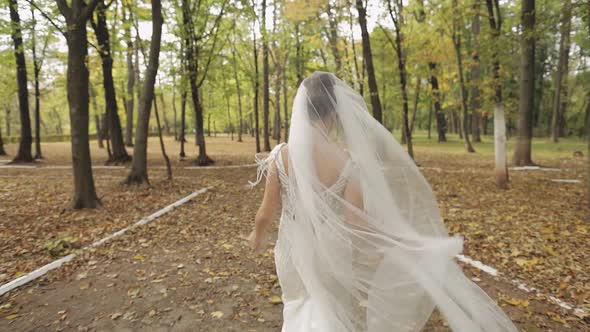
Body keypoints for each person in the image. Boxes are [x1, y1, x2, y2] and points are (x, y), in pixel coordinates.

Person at [247, 72, 518, 332]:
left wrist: (257, 235)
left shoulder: (280, 155)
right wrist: (402, 244)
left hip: (293, 250)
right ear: (336, 111)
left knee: (296, 307)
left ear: (303, 108)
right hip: (333, 251)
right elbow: (358, 227)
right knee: (332, 311)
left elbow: (265, 213)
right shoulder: (346, 163)